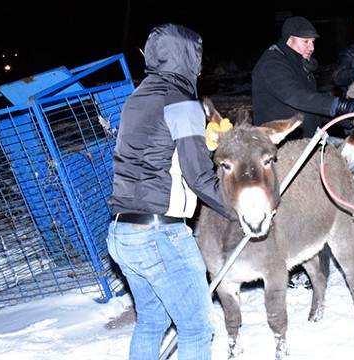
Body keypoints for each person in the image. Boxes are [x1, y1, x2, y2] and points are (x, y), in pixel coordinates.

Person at [106, 23, 237, 360]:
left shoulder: (137, 97)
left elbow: (155, 152)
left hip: (122, 232)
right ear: (186, 57)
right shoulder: (182, 101)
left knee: (151, 320)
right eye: (197, 58)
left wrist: (202, 142)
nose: (200, 67)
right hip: (160, 235)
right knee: (195, 329)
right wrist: (238, 211)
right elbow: (197, 177)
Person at [251, 16, 354, 139]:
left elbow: (313, 108)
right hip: (280, 144)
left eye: (312, 41)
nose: (312, 47)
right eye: (305, 41)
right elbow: (296, 96)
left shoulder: (302, 67)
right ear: (289, 40)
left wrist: (350, 120)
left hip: (308, 140)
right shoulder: (272, 64)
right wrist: (340, 105)